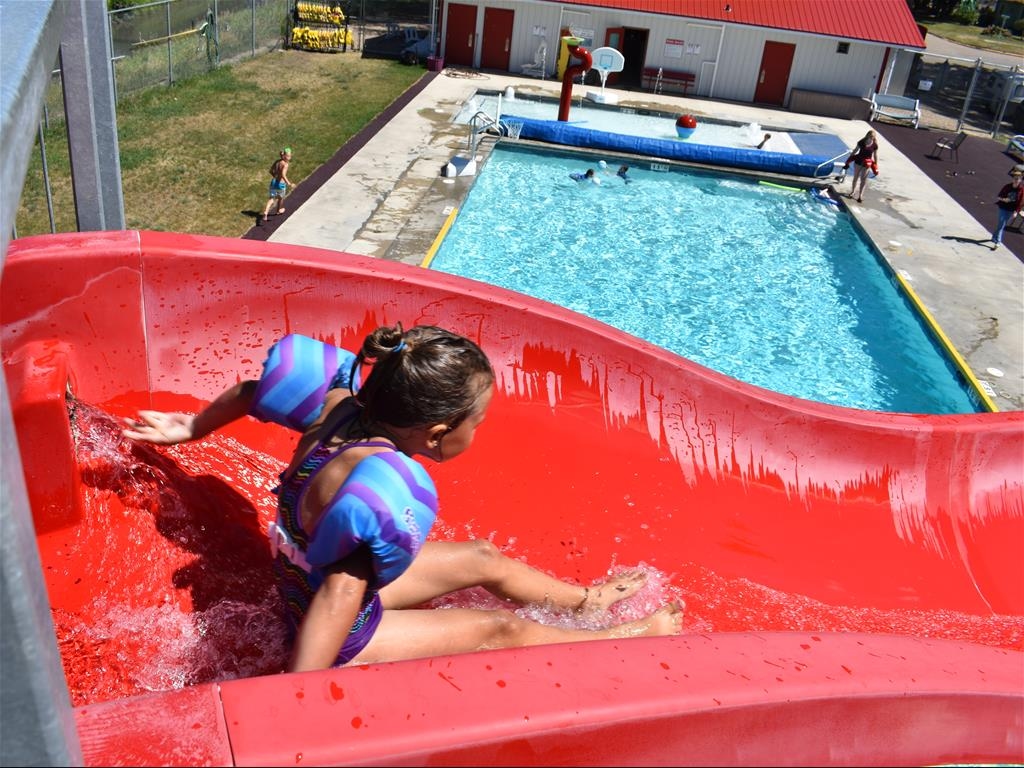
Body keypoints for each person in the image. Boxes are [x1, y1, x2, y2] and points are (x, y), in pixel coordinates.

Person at [123, 324, 684, 673]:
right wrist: (297, 693)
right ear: (437, 433)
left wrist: (194, 426)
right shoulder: (371, 490)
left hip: (303, 578)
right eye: (477, 424)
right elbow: (343, 592)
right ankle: (625, 636)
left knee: (479, 557)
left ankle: (582, 603)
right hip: (335, 627)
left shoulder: (340, 404)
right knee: (497, 631)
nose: (479, 433)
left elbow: (253, 392)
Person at [988, 170, 1023, 250]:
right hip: (1003, 208)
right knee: (1002, 223)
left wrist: (1016, 212)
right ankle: (998, 242)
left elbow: (1020, 202)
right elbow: (999, 196)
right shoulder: (1007, 187)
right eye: (1015, 178)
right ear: (1012, 179)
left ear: (1020, 180)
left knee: (1001, 224)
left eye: (1018, 179)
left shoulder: (1021, 190)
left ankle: (994, 237)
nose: (1016, 180)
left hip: (1011, 210)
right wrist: (1004, 199)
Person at [260, 147, 293, 224]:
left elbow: (271, 170)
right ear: (284, 156)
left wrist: (275, 176)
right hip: (281, 184)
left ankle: (266, 212)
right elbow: (283, 174)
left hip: (274, 182)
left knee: (271, 199)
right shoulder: (285, 164)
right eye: (288, 156)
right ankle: (278, 210)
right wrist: (288, 183)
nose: (289, 157)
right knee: (281, 198)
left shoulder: (277, 162)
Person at [844, 131, 878, 204]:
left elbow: (875, 155)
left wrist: (876, 165)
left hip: (867, 164)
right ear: (867, 136)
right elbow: (855, 150)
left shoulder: (875, 145)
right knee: (855, 177)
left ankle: (860, 195)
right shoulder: (861, 142)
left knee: (863, 179)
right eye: (870, 136)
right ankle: (853, 191)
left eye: (873, 137)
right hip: (858, 162)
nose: (871, 138)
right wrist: (849, 159)